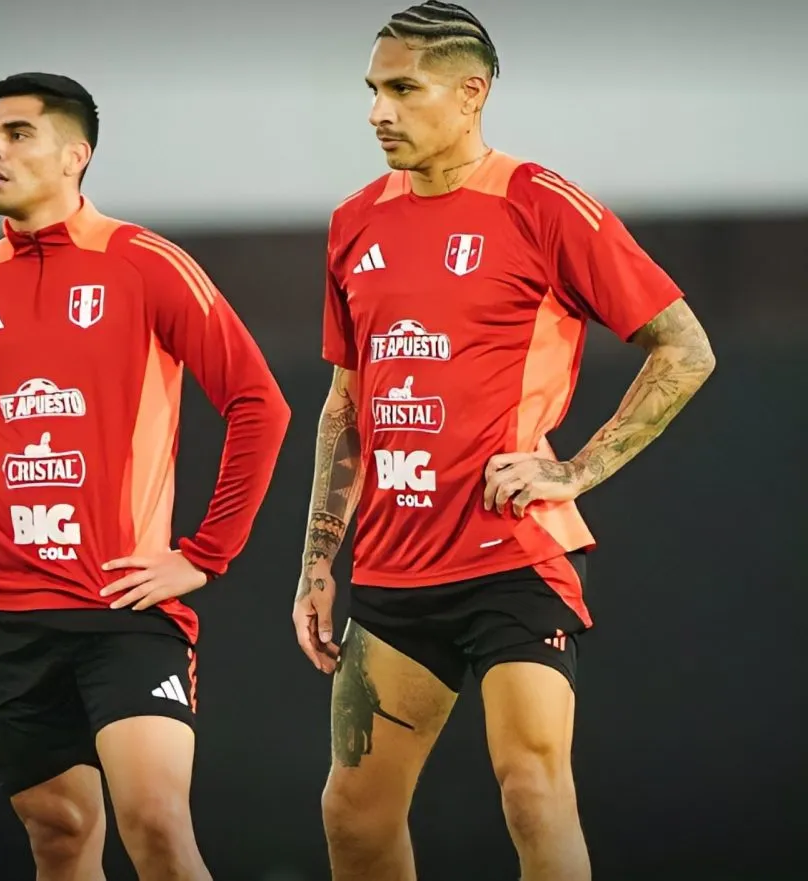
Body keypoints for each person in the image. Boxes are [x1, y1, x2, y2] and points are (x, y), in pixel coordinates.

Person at [291, 3, 716, 880]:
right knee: (353, 816)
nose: (379, 111)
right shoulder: (354, 222)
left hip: (511, 556)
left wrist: (574, 470)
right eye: (373, 89)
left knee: (530, 787)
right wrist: (316, 561)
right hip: (396, 564)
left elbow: (685, 346)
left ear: (472, 92)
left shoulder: (539, 202)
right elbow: (346, 403)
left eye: (404, 89)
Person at [0, 72, 290, 881]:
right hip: (10, 616)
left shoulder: (146, 264)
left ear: (76, 156)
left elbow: (259, 404)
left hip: (124, 606)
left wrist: (206, 554)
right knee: (60, 832)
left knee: (155, 821)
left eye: (16, 134)